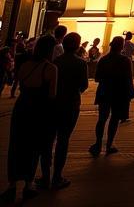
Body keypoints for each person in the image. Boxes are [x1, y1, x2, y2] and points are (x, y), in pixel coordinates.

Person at [3, 34, 57, 201]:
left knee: (16, 144)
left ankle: (11, 185)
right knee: (34, 147)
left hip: (21, 107)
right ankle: (28, 184)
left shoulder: (25, 64)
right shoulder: (50, 68)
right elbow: (52, 95)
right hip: (39, 111)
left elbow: (17, 83)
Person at [47, 32, 88, 189]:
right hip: (70, 104)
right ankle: (57, 176)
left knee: (48, 139)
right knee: (63, 140)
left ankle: (44, 175)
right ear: (78, 45)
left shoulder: (55, 61)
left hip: (53, 104)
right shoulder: (80, 63)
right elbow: (83, 86)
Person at [89, 36, 134, 157]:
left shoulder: (103, 60)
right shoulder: (125, 61)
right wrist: (131, 92)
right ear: (122, 47)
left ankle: (98, 143)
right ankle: (109, 145)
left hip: (104, 91)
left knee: (102, 119)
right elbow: (128, 79)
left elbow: (97, 78)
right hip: (119, 93)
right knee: (114, 119)